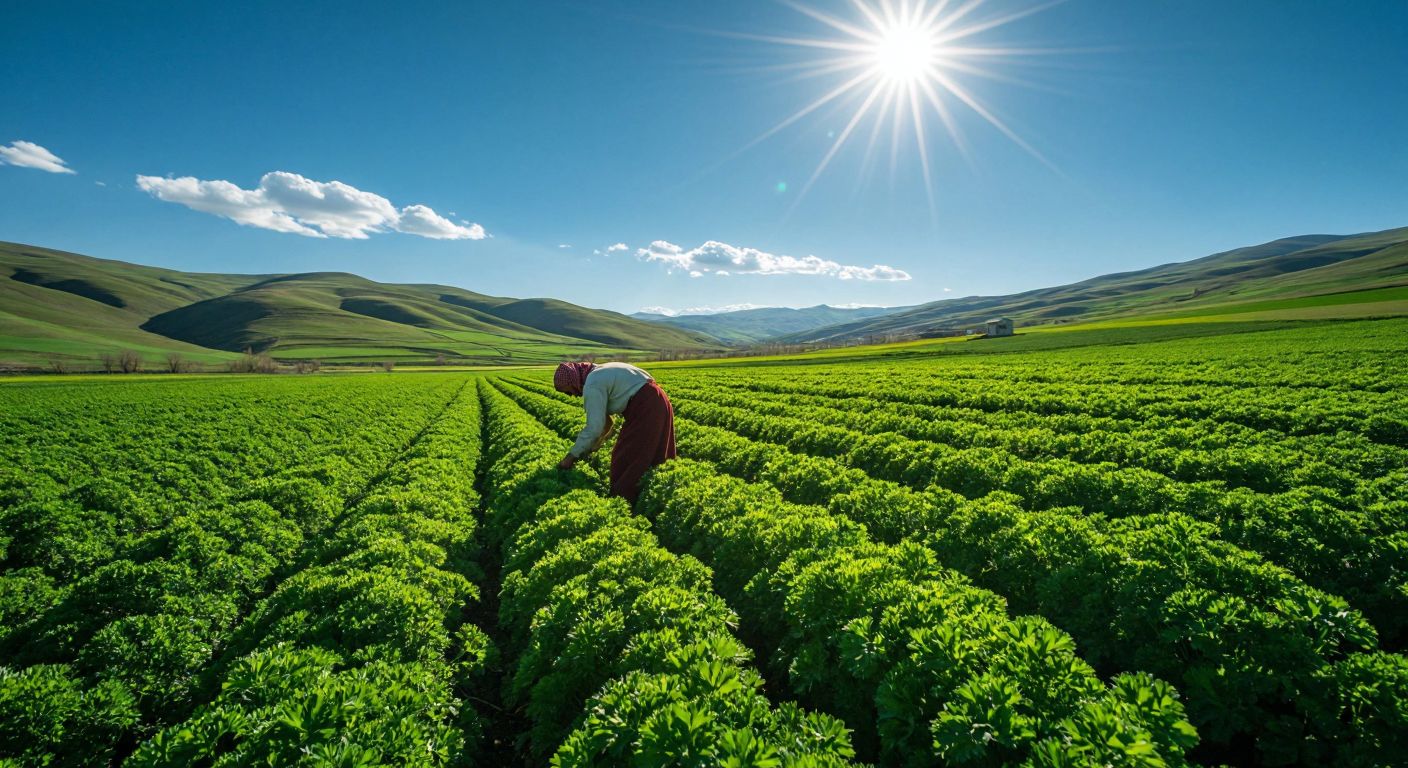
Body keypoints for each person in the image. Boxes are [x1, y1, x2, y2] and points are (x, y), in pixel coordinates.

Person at [554, 360, 676, 502]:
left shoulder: (592, 384)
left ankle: (624, 502)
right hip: (658, 399)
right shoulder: (599, 372)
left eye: (568, 391)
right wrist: (597, 444)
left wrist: (571, 457)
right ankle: (653, 498)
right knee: (655, 452)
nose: (572, 395)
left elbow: (594, 427)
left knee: (626, 458)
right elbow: (607, 422)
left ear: (573, 380)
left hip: (646, 406)